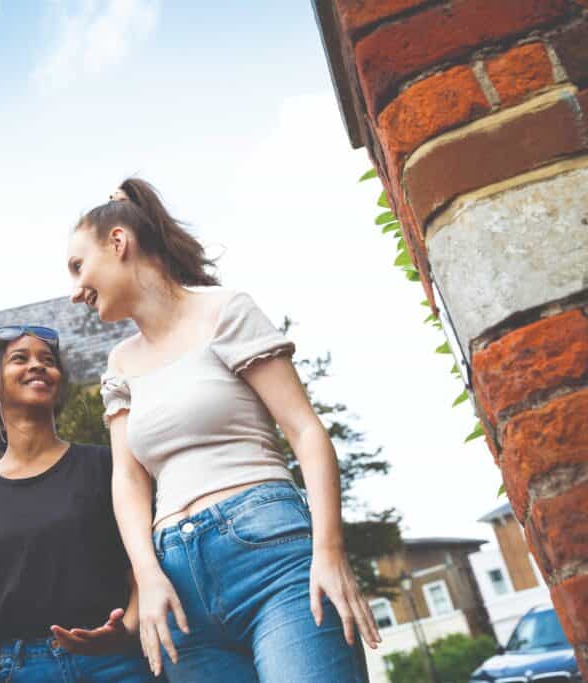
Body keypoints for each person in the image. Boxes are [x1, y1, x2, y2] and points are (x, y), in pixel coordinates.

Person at [65, 178, 381, 681]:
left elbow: (304, 430)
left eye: (78, 266)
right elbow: (127, 480)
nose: (75, 289)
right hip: (177, 585)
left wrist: (329, 552)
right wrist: (147, 576)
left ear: (119, 244)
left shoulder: (225, 311)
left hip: (271, 558)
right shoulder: (119, 363)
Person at [0, 325, 156, 682]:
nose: (38, 366)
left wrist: (128, 629)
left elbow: (142, 570)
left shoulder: (109, 467)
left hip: (118, 661)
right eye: (20, 359)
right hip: (24, 669)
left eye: (48, 360)